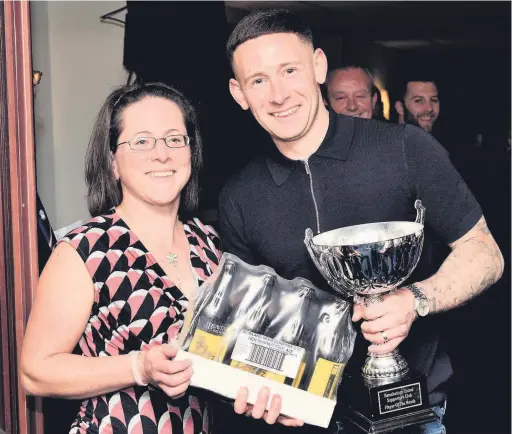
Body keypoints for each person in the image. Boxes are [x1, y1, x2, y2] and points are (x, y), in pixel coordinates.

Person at [218, 8, 504, 434]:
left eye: (289, 70)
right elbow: (251, 325)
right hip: (308, 422)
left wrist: (415, 300)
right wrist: (273, 389)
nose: (278, 95)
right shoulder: (239, 196)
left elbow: (485, 253)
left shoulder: (405, 149)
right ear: (239, 93)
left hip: (413, 415)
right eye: (259, 80)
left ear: (318, 66)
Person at [20, 82, 302, 433]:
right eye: (141, 141)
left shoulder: (211, 245)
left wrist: (275, 396)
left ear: (190, 153)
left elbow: (231, 358)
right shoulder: (84, 250)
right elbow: (35, 371)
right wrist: (139, 367)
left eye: (174, 139)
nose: (161, 154)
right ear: (112, 163)